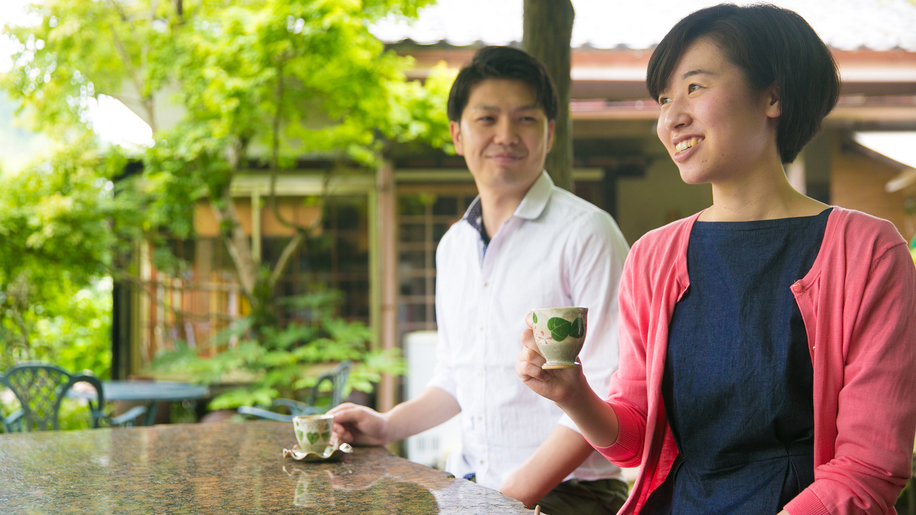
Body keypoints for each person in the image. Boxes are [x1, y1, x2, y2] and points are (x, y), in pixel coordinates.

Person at [517, 4, 916, 515]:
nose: (670, 117)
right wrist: (572, 394)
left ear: (772, 95)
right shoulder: (652, 257)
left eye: (695, 87)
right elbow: (637, 439)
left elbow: (870, 468)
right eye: (664, 99)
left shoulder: (867, 251)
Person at [329, 45, 631, 513]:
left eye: (526, 119)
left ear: (550, 133)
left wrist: (507, 500)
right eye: (487, 119)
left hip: (575, 493)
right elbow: (455, 377)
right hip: (478, 487)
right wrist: (386, 426)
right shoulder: (453, 247)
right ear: (457, 134)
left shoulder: (587, 233)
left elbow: (613, 387)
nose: (506, 135)